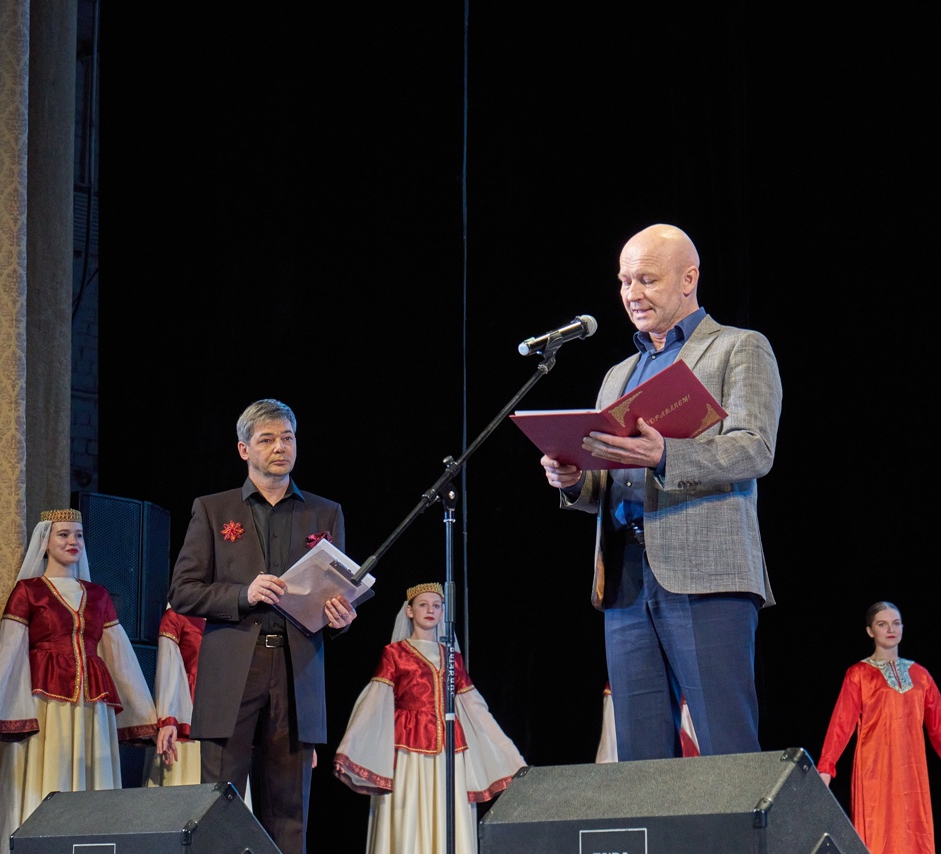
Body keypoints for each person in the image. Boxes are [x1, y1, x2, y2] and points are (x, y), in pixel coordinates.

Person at [539, 223, 782, 761]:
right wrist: (575, 480)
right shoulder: (618, 374)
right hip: (625, 578)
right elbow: (606, 476)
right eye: (625, 281)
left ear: (688, 278)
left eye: (646, 279)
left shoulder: (738, 348)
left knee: (726, 753)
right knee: (642, 762)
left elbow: (753, 449)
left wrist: (667, 455)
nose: (632, 294)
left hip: (708, 575)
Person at [168, 398, 357, 854]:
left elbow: (337, 596)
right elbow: (183, 592)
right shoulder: (213, 510)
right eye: (268, 439)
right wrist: (241, 593)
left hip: (296, 675)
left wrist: (342, 617)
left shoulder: (325, 512)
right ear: (243, 449)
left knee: (289, 811)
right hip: (234, 669)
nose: (280, 448)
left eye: (288, 438)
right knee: (219, 804)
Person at [0, 509, 156, 854]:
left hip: (91, 709)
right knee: (45, 775)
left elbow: (121, 658)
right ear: (45, 543)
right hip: (44, 704)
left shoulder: (97, 596)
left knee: (89, 784)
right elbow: (8, 653)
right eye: (63, 534)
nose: (72, 541)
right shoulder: (29, 592)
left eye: (78, 535)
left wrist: (148, 717)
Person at [334, 583, 526, 854]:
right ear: (409, 611)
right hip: (407, 750)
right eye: (423, 604)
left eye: (437, 606)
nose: (431, 610)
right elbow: (375, 701)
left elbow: (475, 709)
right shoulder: (395, 653)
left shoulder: (452, 659)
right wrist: (350, 746)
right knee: (407, 810)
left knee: (450, 810)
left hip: (449, 751)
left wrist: (509, 754)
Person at [817, 602, 941, 854]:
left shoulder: (920, 675)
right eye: (882, 624)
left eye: (896, 623)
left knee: (914, 832)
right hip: (875, 771)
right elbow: (840, 725)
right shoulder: (858, 674)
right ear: (870, 631)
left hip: (912, 771)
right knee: (879, 835)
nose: (890, 629)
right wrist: (825, 769)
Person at [145, 604, 207, 786]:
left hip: (218, 715)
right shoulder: (176, 616)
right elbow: (168, 666)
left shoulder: (228, 617)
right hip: (185, 713)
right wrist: (168, 719)